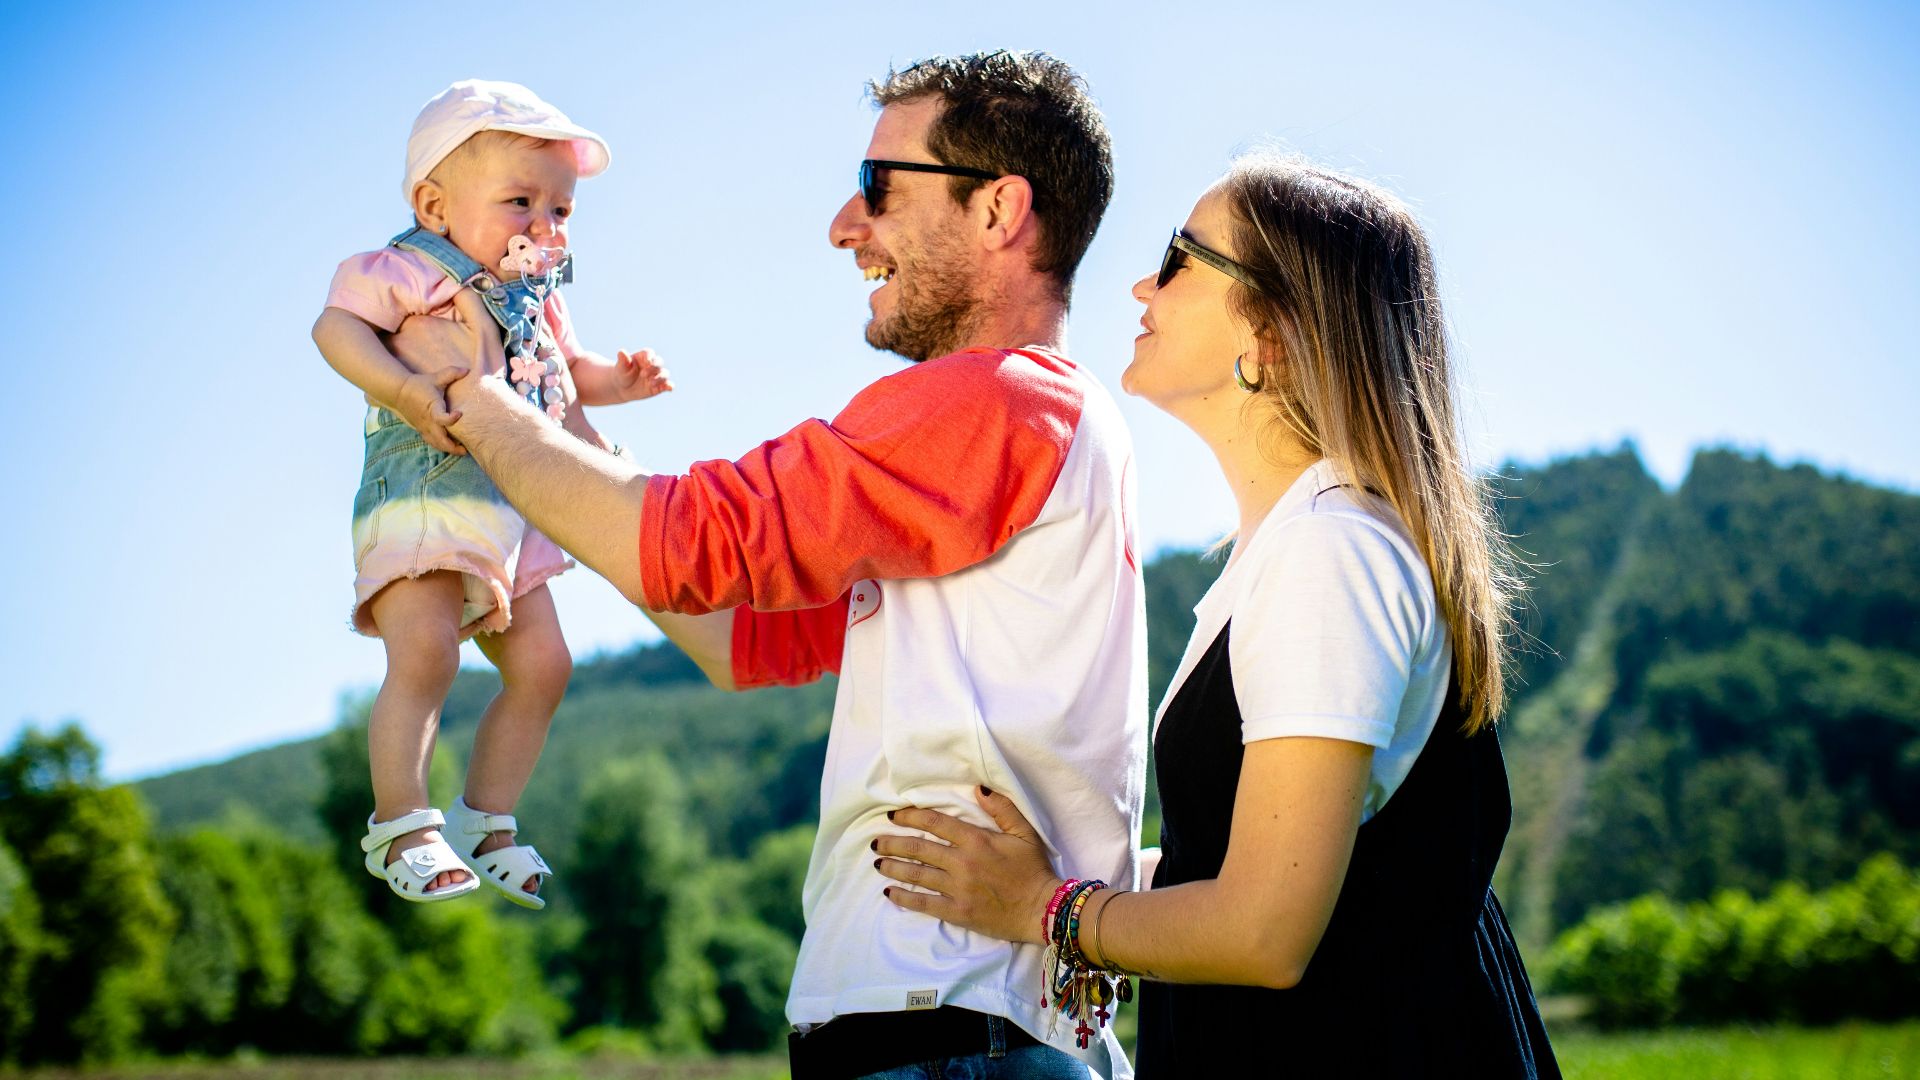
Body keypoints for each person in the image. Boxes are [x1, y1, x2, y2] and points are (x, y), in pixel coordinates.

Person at [393, 52, 1144, 1079]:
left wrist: (469, 396)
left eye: (880, 185)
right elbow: (739, 638)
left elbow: (689, 544)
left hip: (946, 1032)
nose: (845, 223)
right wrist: (556, 411)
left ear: (999, 210)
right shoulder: (1009, 438)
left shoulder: (998, 398)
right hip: (958, 1030)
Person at [872, 155, 1562, 1077]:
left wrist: (1049, 911)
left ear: (1269, 330)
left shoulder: (1331, 553)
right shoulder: (1292, 550)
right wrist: (1085, 883)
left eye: (1181, 258)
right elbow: (1252, 865)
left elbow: (1265, 929)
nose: (1141, 285)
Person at [311, 80, 672, 908]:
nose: (545, 225)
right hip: (426, 488)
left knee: (546, 665)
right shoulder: (403, 268)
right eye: (520, 202)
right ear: (435, 205)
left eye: (562, 210)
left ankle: (488, 817)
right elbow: (337, 328)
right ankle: (402, 823)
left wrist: (620, 379)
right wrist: (402, 389)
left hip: (514, 511)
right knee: (427, 652)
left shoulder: (541, 300)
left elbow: (563, 378)